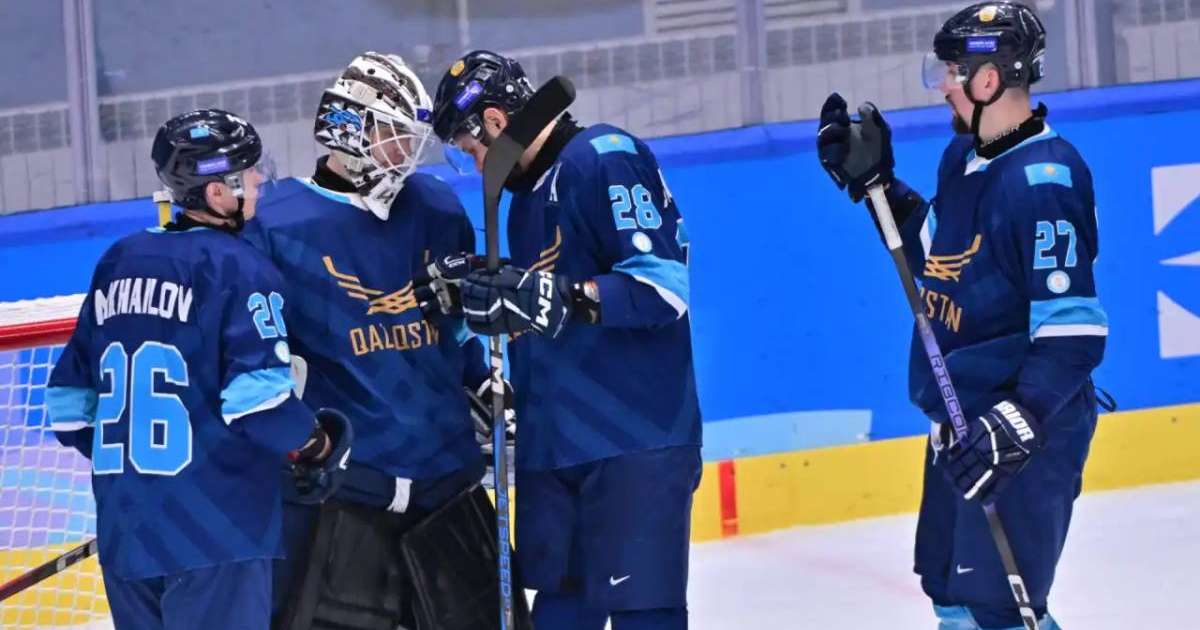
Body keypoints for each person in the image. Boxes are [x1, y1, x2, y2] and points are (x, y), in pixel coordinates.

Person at [816, 3, 1107, 628]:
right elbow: (940, 259)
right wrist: (879, 187)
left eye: (952, 71)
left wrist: (1015, 422)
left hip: (1022, 432)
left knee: (997, 611)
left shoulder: (1043, 181)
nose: (943, 84)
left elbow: (1073, 332)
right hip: (960, 422)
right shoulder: (966, 158)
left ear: (989, 80)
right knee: (950, 596)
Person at [424, 50, 703, 630]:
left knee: (642, 615)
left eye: (470, 148)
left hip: (633, 442)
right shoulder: (523, 198)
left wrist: (561, 297)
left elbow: (664, 289)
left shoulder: (603, 158)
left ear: (496, 122)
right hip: (555, 446)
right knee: (556, 615)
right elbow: (534, 302)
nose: (474, 165)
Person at [242, 52, 520, 630]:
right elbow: (255, 364)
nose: (405, 156)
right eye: (394, 138)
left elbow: (460, 330)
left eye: (410, 141)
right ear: (347, 130)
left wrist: (483, 384)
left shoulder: (435, 205)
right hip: (349, 500)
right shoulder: (276, 227)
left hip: (450, 486)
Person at [45, 109, 350, 630]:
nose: (259, 183)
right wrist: (319, 444)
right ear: (216, 193)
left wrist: (151, 479)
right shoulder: (242, 269)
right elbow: (262, 406)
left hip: (127, 537)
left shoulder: (118, 260)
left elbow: (70, 412)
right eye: (249, 174)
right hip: (217, 538)